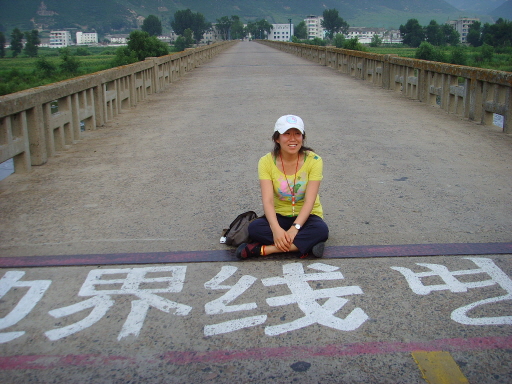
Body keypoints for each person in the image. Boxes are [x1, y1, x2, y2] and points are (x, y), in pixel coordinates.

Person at [236, 115, 329, 259]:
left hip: (307, 217)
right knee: (254, 229)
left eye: (297, 134)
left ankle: (264, 250)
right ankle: (305, 246)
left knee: (321, 230)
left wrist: (295, 228)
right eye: (287, 134)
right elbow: (267, 201)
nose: (293, 139)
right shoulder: (266, 161)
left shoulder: (314, 160)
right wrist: (275, 229)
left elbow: (309, 201)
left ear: (302, 137)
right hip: (279, 215)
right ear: (277, 138)